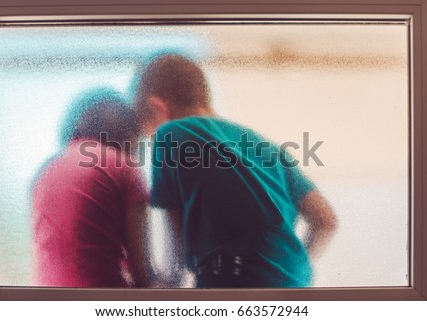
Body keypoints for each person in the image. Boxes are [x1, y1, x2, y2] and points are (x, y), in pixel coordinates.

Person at [134, 54, 338, 288]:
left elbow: (178, 253)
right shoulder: (265, 146)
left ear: (158, 108)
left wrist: (165, 287)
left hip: (231, 290)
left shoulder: (169, 133)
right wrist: (290, 271)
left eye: (147, 135)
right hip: (293, 288)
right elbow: (325, 220)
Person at [31, 87, 152, 287]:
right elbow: (141, 273)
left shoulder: (46, 169)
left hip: (44, 300)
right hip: (102, 300)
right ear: (129, 135)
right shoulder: (123, 167)